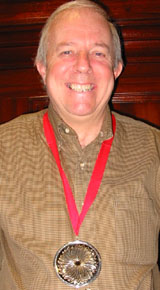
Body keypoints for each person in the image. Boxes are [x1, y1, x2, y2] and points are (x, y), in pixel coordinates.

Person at [0, 0, 160, 289]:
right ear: (42, 68)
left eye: (98, 52)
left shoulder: (155, 150)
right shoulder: (3, 148)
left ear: (116, 68)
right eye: (67, 51)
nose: (83, 65)